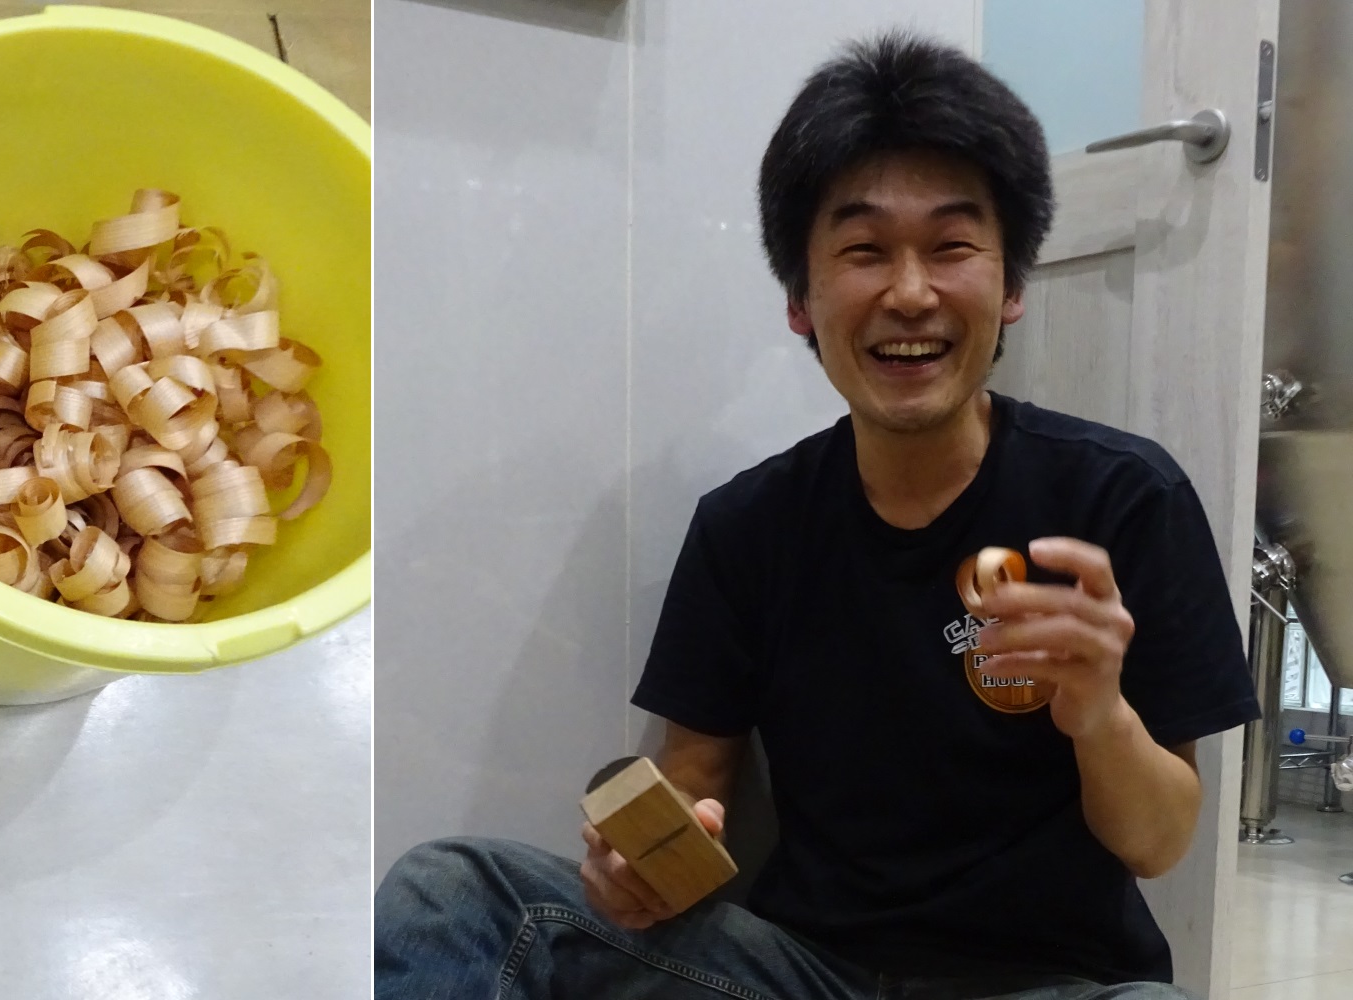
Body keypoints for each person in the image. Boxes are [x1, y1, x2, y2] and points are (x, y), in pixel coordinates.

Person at [375, 33, 1257, 999]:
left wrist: (1099, 715)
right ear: (801, 299)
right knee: (447, 892)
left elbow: (1158, 842)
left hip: (1054, 984)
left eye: (952, 246)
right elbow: (693, 778)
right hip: (801, 978)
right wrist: (643, 862)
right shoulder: (747, 527)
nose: (910, 293)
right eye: (864, 250)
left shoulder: (1122, 499)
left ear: (1011, 286)